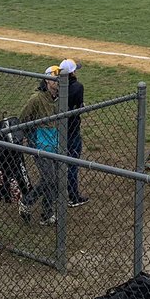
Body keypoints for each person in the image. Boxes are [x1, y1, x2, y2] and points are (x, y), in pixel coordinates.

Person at [19, 66, 60, 225]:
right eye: (55, 79)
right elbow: (23, 119)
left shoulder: (60, 97)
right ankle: (27, 201)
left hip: (55, 142)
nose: (58, 82)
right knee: (49, 178)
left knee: (55, 179)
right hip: (40, 144)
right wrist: (32, 138)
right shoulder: (36, 99)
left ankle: (47, 213)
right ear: (47, 80)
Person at [60, 58, 88, 207]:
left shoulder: (55, 85)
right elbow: (79, 106)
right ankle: (73, 196)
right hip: (72, 130)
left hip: (56, 130)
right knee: (72, 163)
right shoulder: (77, 87)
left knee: (57, 163)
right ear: (73, 72)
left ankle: (57, 194)